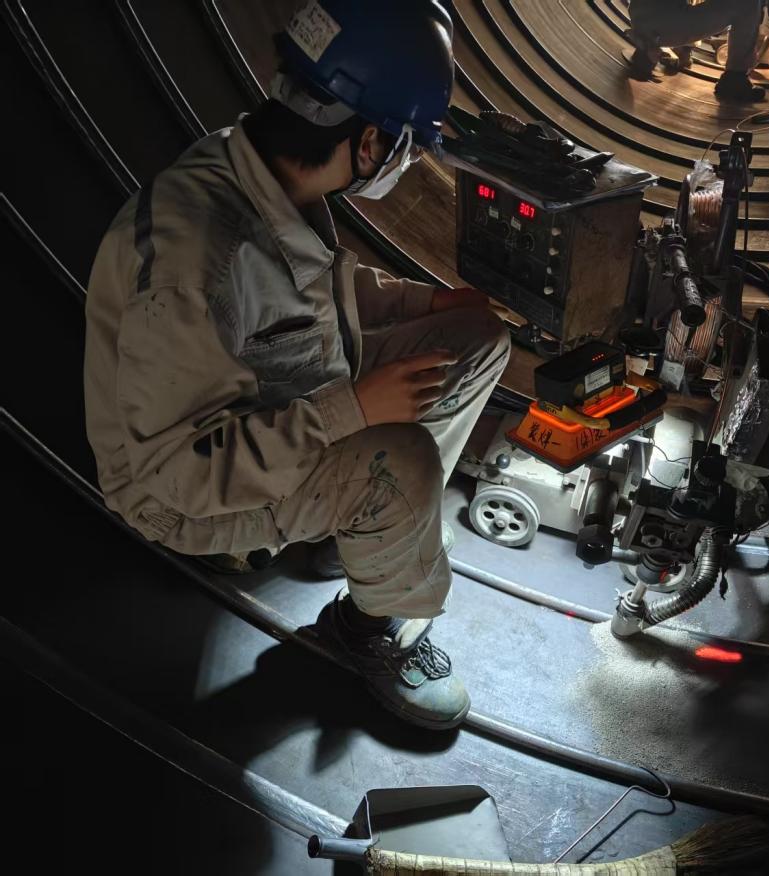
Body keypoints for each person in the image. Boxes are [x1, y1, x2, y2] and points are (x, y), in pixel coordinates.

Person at [83, 0, 510, 731]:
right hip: (181, 493)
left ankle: (367, 535)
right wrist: (356, 411)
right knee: (401, 460)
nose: (406, 162)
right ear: (369, 142)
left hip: (268, 399)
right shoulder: (196, 262)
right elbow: (172, 473)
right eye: (409, 148)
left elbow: (312, 288)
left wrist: (429, 302)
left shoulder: (257, 165)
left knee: (476, 339)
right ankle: (362, 629)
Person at [627, 0, 767, 102]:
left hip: (642, 15)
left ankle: (649, 49)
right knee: (747, 3)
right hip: (661, 22)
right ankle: (735, 79)